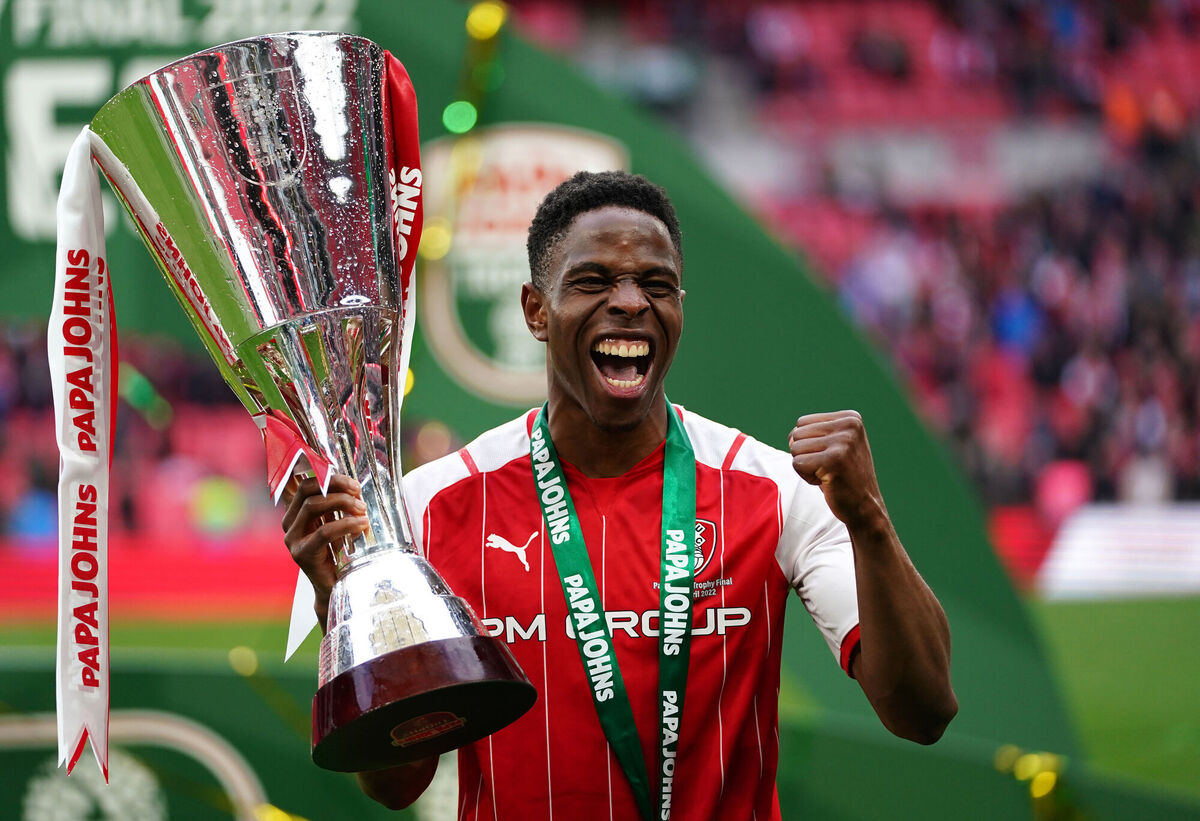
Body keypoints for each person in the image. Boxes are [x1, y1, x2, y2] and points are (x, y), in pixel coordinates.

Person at [283, 171, 957, 819]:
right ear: (536, 311)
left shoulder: (778, 491)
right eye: (594, 281)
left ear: (679, 311)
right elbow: (395, 784)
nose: (631, 301)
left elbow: (922, 713)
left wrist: (870, 521)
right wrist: (342, 602)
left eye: (657, 285)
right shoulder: (432, 506)